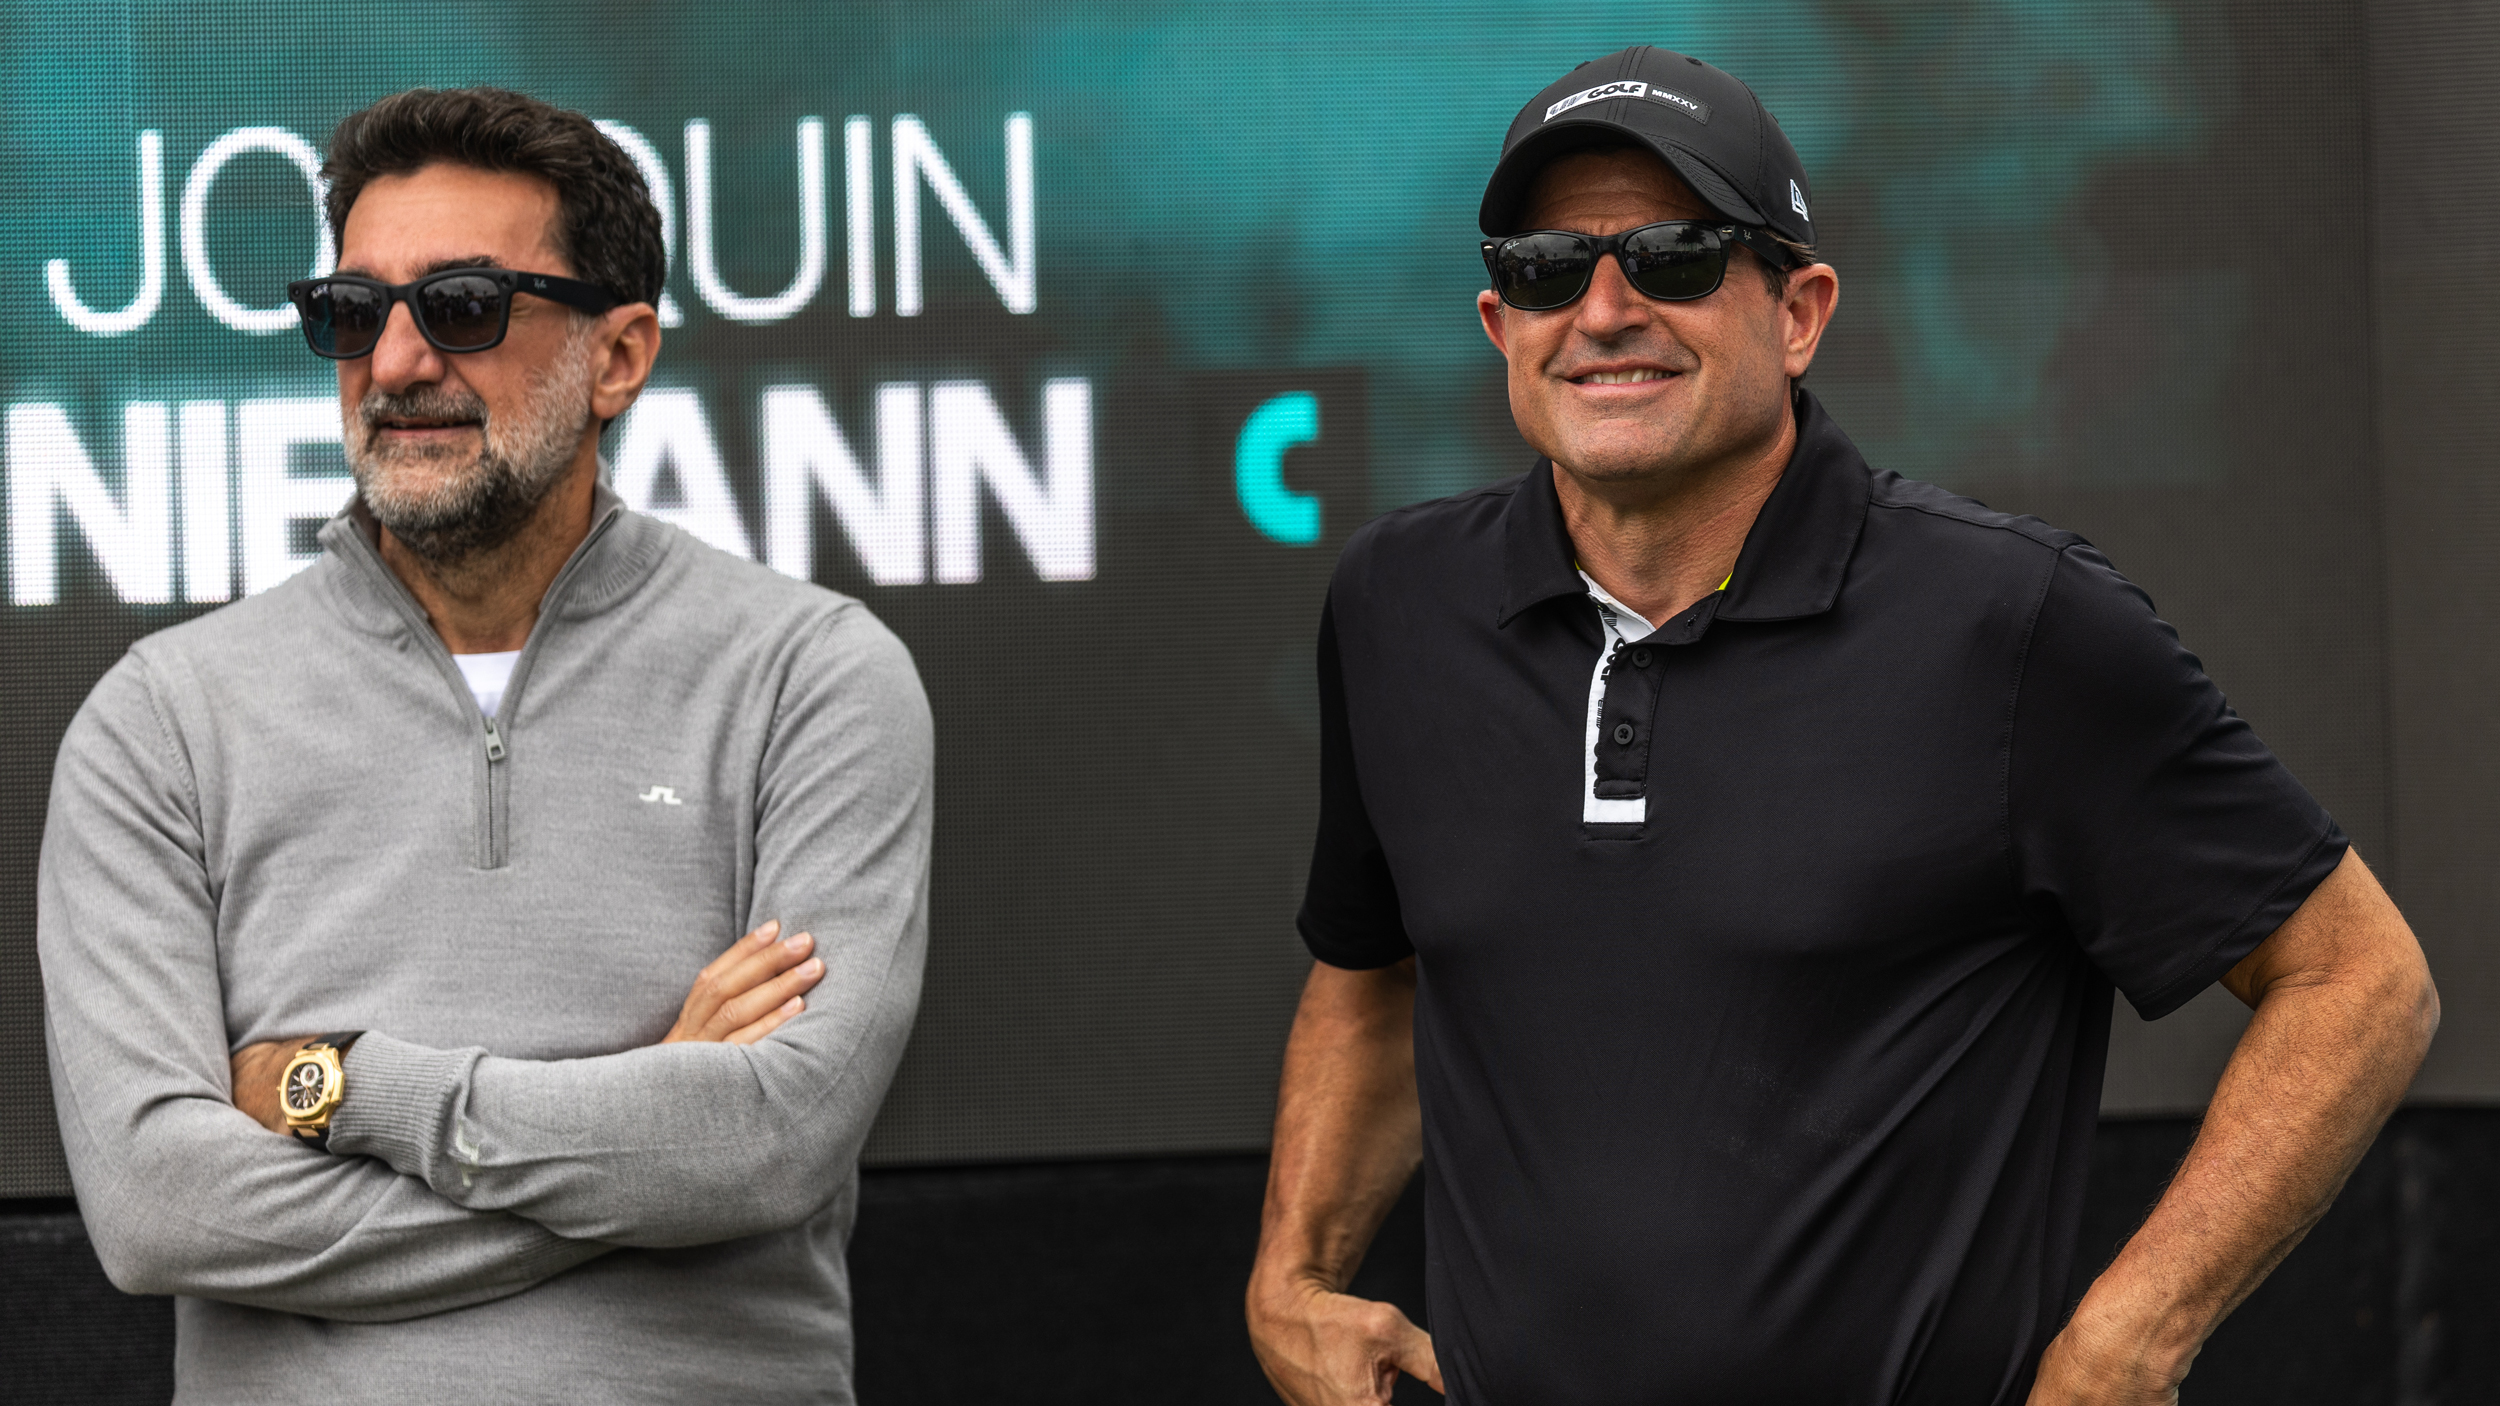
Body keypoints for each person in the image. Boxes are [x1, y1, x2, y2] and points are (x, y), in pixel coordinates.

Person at [1245, 46, 2438, 1406]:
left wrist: (2129, 1343)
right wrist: (1291, 1274)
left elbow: (2360, 979)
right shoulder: (1401, 605)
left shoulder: (2012, 621)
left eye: (1677, 255)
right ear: (1498, 322)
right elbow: (1375, 969)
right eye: (1545, 268)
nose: (1604, 309)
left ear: (1800, 311)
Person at [38, 87, 930, 1403]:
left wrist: (346, 1087)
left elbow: (768, 1140)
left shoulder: (812, 676)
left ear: (618, 355)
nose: (395, 365)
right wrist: (646, 1117)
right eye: (352, 313)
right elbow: (160, 1208)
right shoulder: (159, 720)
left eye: (461, 303)